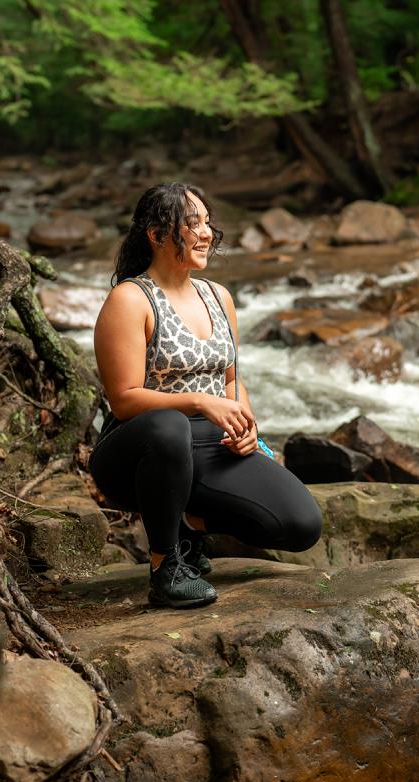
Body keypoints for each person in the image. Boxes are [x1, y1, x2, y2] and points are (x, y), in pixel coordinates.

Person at [89, 183, 322, 608]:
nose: (207, 233)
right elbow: (123, 399)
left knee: (302, 524)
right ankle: (166, 566)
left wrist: (247, 426)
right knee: (170, 426)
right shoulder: (130, 299)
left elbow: (231, 380)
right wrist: (199, 401)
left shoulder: (219, 297)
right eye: (192, 224)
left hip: (211, 447)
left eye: (207, 222)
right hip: (142, 448)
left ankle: (190, 523)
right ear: (157, 236)